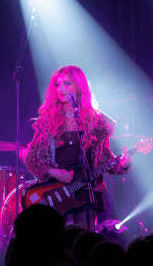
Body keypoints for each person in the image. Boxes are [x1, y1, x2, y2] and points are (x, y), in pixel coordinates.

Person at [23, 66, 131, 228]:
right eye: (57, 85)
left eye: (67, 84)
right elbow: (31, 159)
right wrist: (53, 172)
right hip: (55, 192)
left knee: (84, 242)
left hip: (85, 192)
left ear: (79, 87)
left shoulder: (97, 121)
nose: (61, 89)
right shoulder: (47, 121)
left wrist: (122, 164)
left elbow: (103, 158)